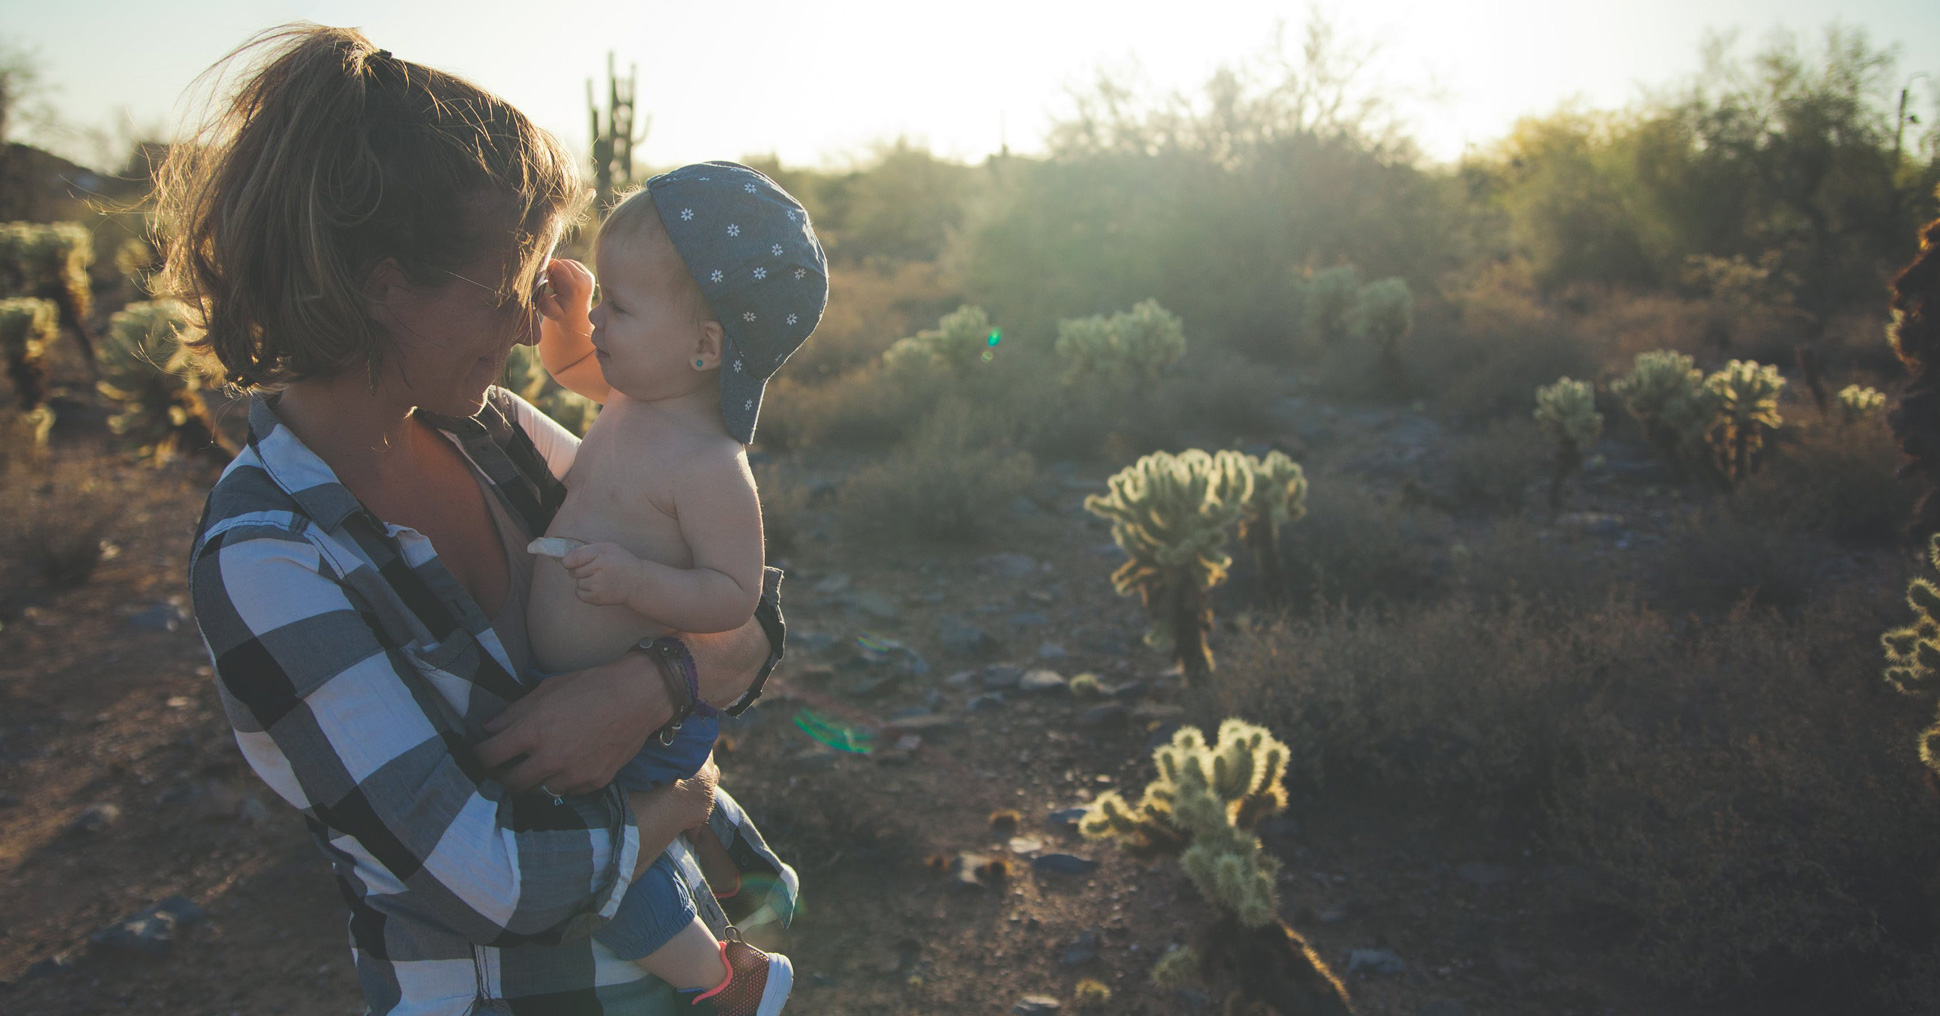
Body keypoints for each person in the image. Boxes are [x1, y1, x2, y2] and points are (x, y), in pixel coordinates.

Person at [164, 25, 796, 1016]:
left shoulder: (487, 431)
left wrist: (646, 685)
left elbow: (748, 618)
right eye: (510, 287)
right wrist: (677, 797)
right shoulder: (269, 552)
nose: (525, 327)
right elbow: (487, 875)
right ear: (382, 286)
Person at [519, 165, 826, 1011]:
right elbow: (571, 364)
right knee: (640, 822)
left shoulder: (709, 466)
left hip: (640, 716)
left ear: (706, 346)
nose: (602, 326)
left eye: (621, 306)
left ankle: (726, 980)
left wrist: (637, 581)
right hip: (583, 688)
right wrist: (572, 313)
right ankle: (738, 858)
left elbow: (733, 595)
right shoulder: (632, 393)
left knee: (606, 860)